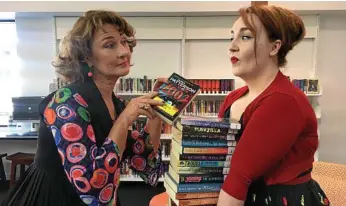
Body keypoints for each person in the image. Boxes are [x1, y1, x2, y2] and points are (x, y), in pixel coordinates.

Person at [2, 10, 166, 206]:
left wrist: (156, 114)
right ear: (86, 57)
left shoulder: (116, 103)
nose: (124, 51)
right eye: (109, 45)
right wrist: (124, 120)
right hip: (55, 197)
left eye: (124, 42)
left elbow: (143, 162)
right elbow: (92, 185)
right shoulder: (66, 102)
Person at [217, 5, 329, 206]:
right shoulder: (233, 98)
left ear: (274, 47)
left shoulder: (283, 101)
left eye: (245, 37)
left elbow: (238, 177)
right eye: (231, 37)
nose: (231, 46)